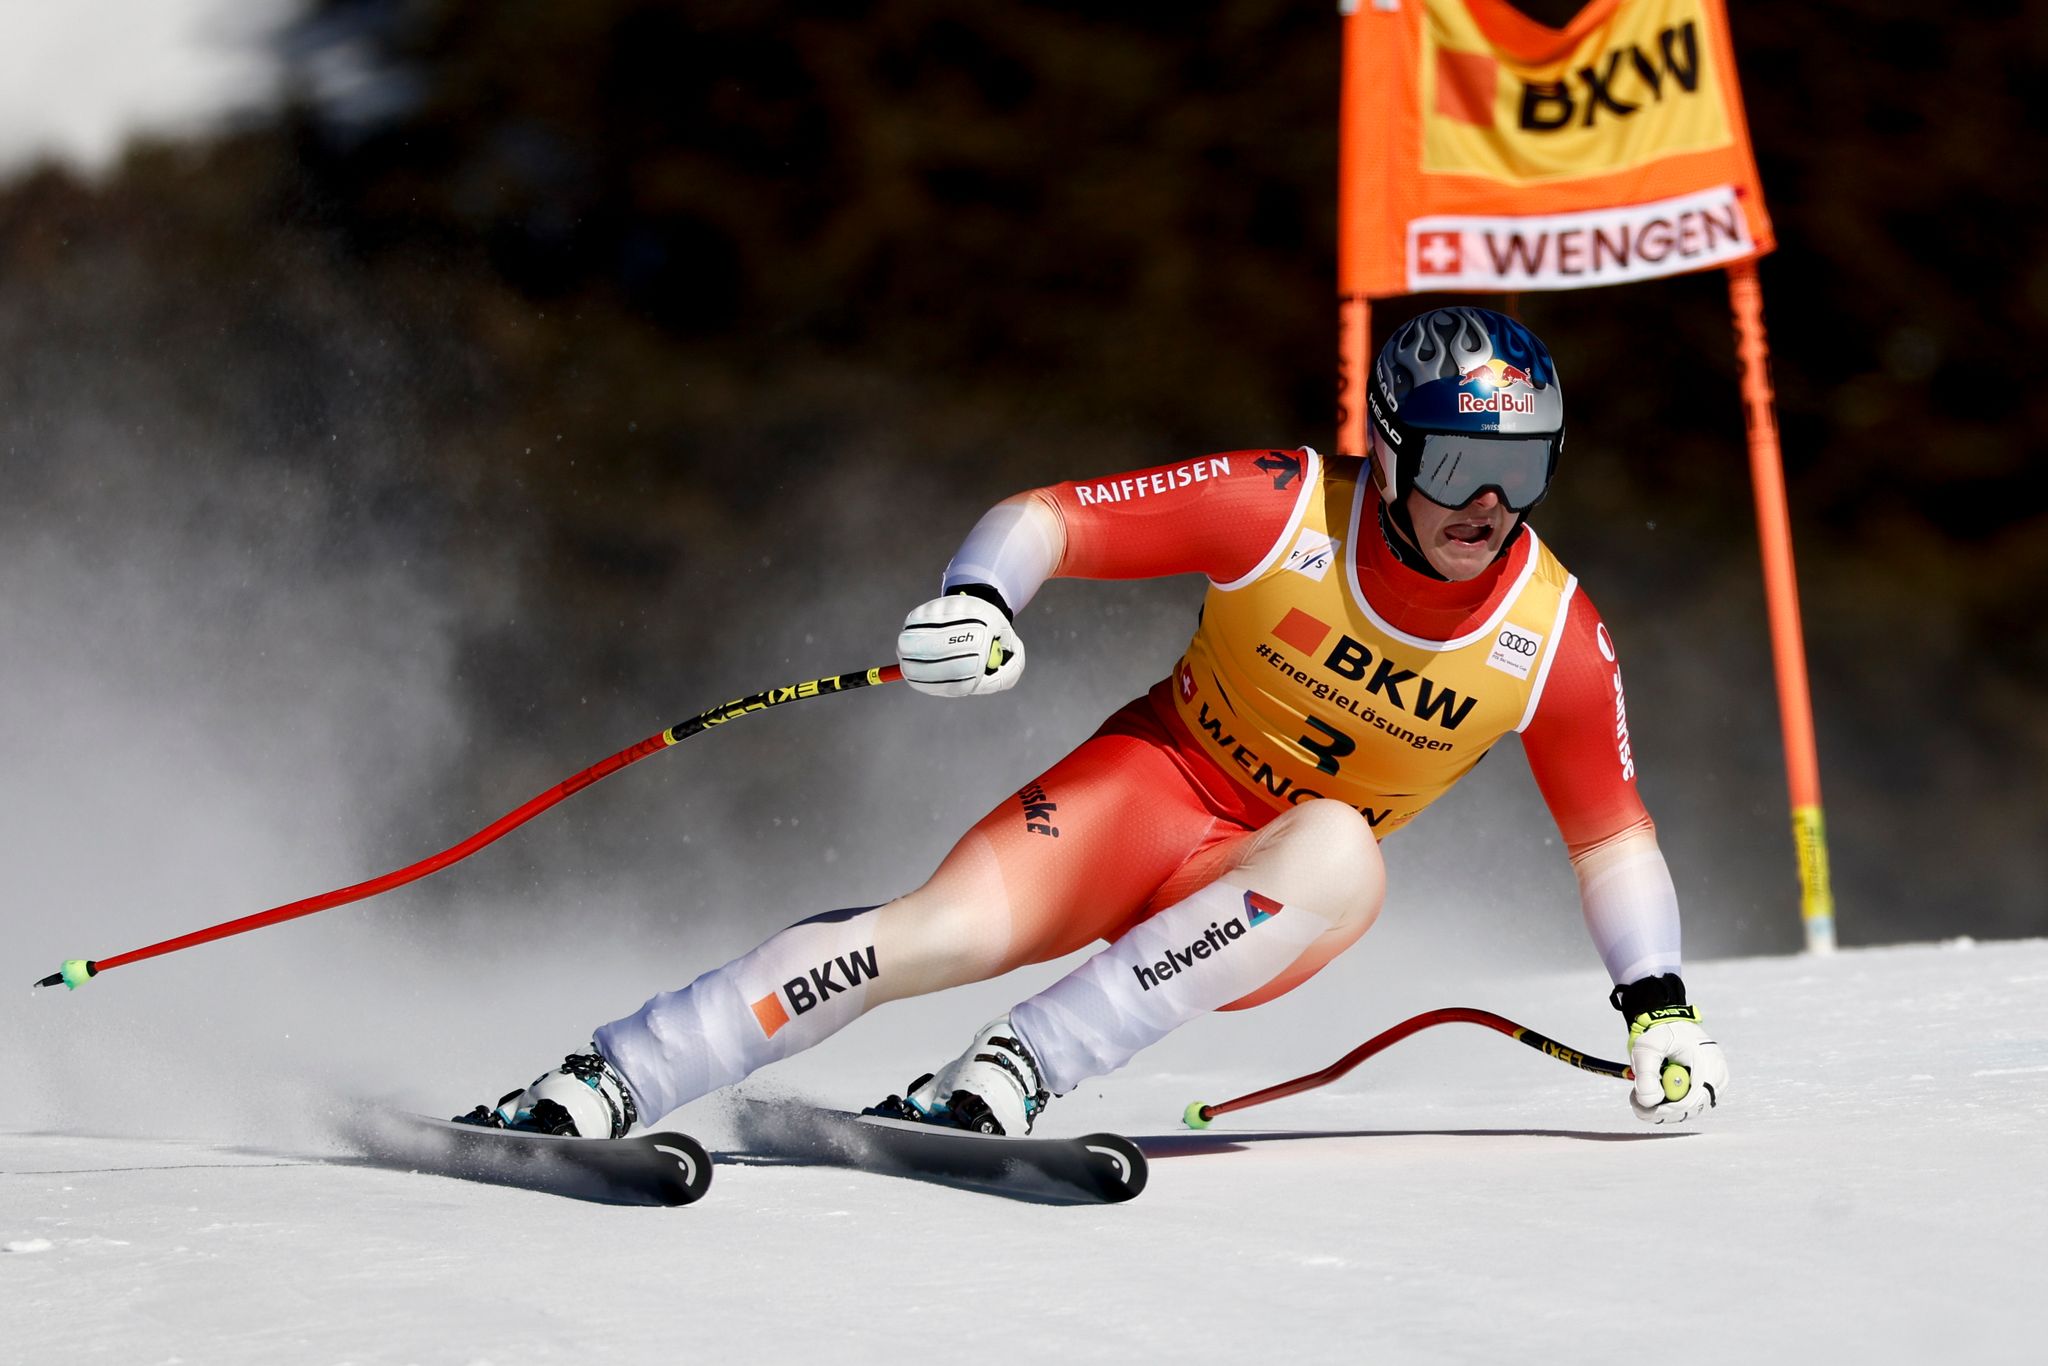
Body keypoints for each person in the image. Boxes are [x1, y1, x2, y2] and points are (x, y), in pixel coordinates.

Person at [462, 306, 1729, 1141]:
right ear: (1388, 455)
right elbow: (1048, 517)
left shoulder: (1551, 635)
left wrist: (1656, 1004)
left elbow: (1609, 836)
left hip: (1272, 883)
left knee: (1341, 845)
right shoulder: (1281, 507)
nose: (1489, 508)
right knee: (929, 934)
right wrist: (976, 601)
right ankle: (608, 1080)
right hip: (1147, 787)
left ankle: (1015, 1073)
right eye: (1458, 467)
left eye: (1527, 471)